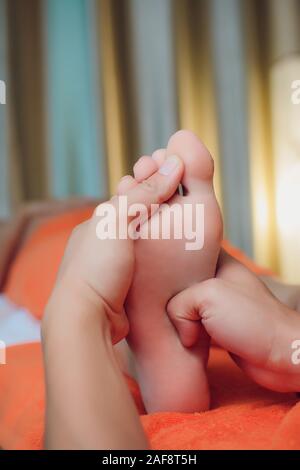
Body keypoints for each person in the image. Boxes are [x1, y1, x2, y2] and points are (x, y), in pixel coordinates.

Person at [42, 130, 300, 450]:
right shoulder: (33, 227)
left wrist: (80, 301)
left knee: (226, 276)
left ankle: (143, 335)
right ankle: (280, 303)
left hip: (81, 260)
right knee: (238, 279)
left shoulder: (49, 237)